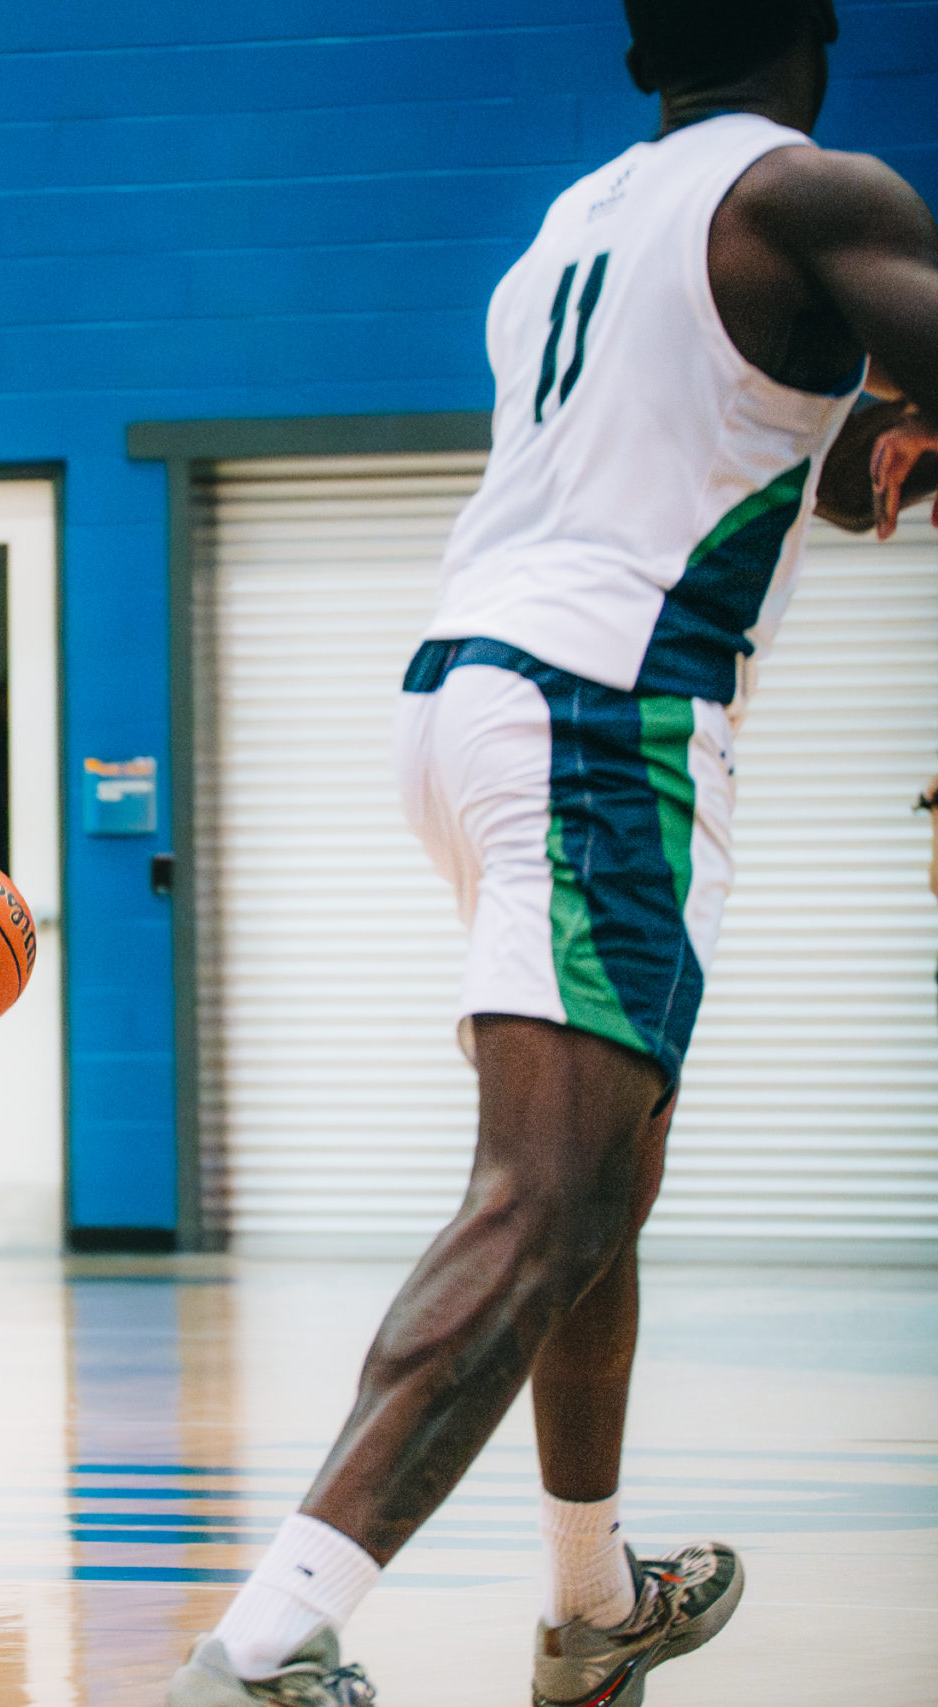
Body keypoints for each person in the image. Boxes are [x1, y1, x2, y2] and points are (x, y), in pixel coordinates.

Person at [170, 4, 938, 1703]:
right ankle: (262, 1647)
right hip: (609, 718)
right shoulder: (817, 194)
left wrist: (882, 440)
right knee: (543, 1194)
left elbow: (754, 457)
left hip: (470, 691)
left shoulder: (577, 225)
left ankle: (593, 1605)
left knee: (601, 1180)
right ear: (815, 26)